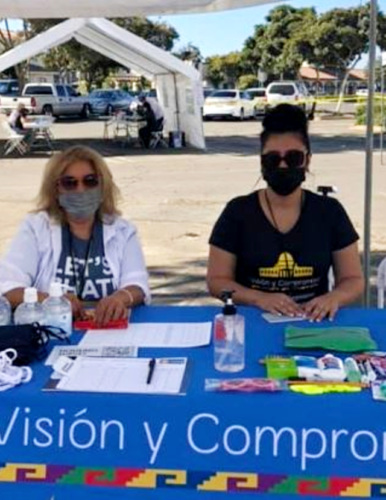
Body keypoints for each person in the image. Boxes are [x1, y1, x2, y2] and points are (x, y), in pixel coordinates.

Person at [207, 104, 364, 322]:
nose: (282, 166)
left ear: (307, 160)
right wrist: (258, 298)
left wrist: (334, 298)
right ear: (262, 163)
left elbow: (353, 279)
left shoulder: (330, 212)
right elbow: (216, 281)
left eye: (293, 158)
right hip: (253, 320)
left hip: (314, 321)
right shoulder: (237, 212)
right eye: (273, 159)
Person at [0, 145, 150, 326]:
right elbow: (7, 286)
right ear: (56, 190)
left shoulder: (123, 230)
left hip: (108, 328)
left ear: (103, 186)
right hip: (51, 329)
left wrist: (120, 298)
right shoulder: (36, 227)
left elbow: (137, 284)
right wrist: (52, 301)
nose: (80, 190)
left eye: (90, 181)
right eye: (69, 183)